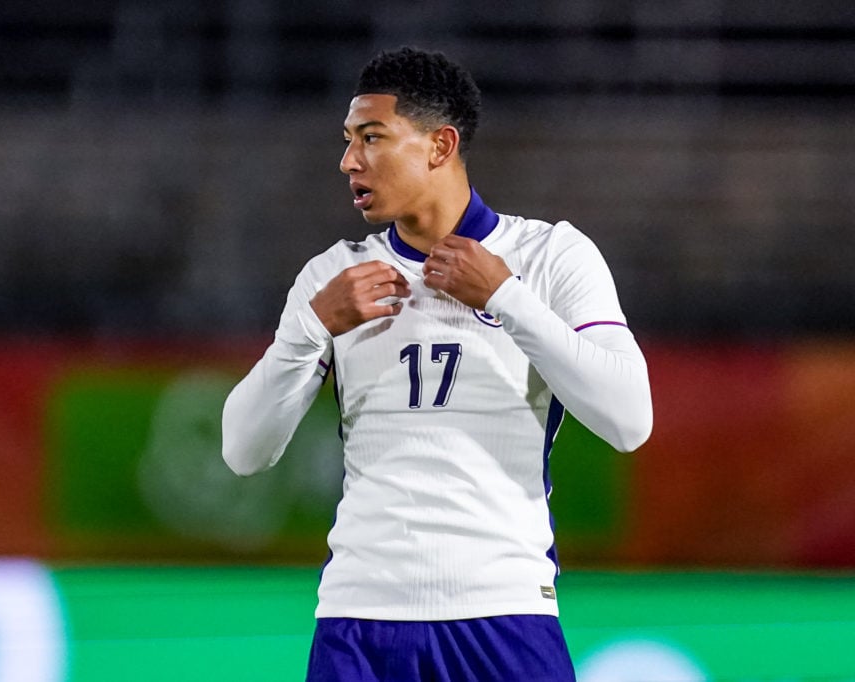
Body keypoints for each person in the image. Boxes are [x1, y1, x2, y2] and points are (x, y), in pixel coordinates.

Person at [222, 46, 652, 682]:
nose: (349, 161)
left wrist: (507, 299)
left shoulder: (550, 256)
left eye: (372, 138)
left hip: (503, 614)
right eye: (347, 141)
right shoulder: (333, 275)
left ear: (440, 145)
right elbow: (242, 450)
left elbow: (629, 420)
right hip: (358, 621)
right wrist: (313, 327)